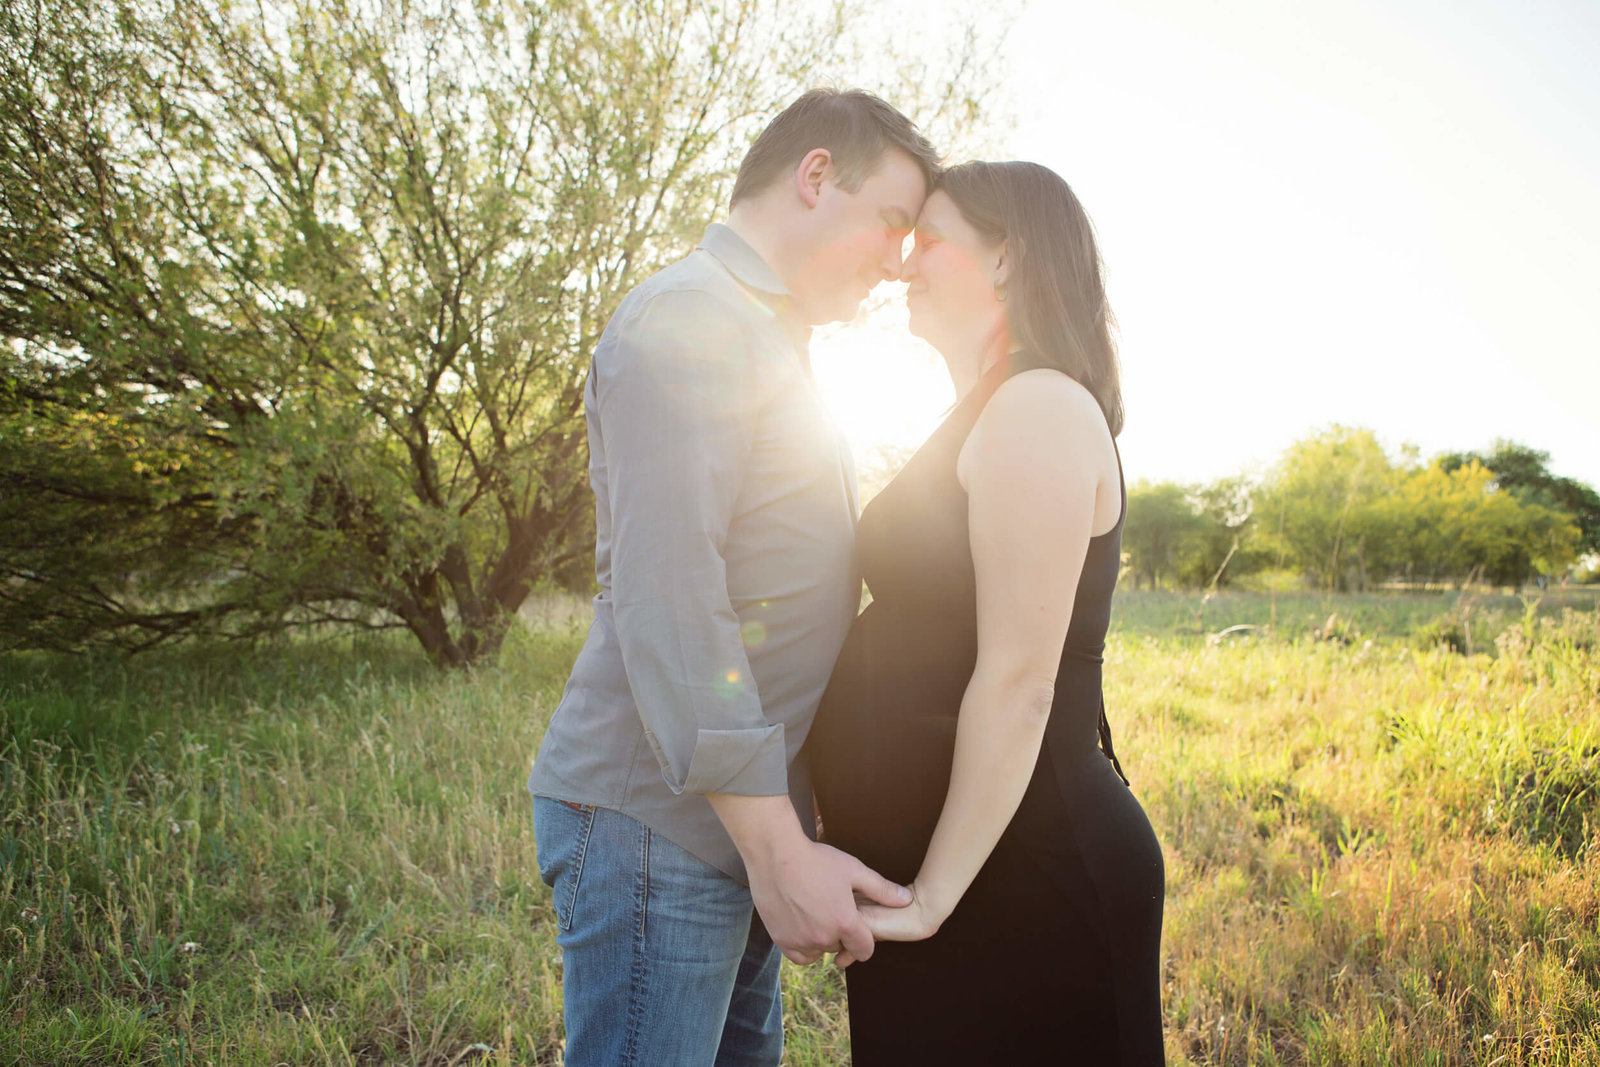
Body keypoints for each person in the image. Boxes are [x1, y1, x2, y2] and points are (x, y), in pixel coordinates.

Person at [526, 89, 941, 1067]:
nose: (898, 260)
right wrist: (777, 850)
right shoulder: (688, 320)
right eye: (893, 220)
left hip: (730, 827)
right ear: (814, 177)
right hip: (658, 830)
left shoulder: (771, 340)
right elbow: (672, 609)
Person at [807, 160, 1167, 1065]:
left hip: (1024, 873)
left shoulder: (1037, 406)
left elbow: (1018, 683)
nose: (903, 263)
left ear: (1004, 259)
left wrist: (931, 896)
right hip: (961, 867)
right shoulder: (985, 408)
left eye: (928, 238)